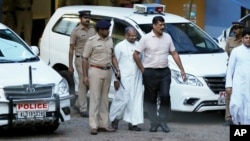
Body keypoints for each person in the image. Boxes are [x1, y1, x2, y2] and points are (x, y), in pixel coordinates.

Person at [133, 16, 186, 133]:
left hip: (164, 72)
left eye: (163, 25)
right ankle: (154, 122)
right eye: (160, 25)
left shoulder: (167, 37)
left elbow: (174, 53)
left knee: (165, 96)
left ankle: (163, 121)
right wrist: (143, 69)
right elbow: (136, 54)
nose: (163, 27)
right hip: (150, 72)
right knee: (150, 99)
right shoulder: (146, 38)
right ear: (154, 25)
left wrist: (182, 69)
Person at [82, 19, 120, 135]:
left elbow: (113, 56)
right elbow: (84, 58)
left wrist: (117, 69)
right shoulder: (91, 41)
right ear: (99, 30)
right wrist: (85, 76)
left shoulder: (110, 40)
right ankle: (94, 125)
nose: (107, 31)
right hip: (95, 70)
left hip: (107, 70)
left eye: (108, 29)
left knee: (104, 99)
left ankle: (104, 124)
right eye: (105, 29)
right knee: (95, 98)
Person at [109, 27, 144, 131]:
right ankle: (115, 119)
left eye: (135, 35)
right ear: (126, 35)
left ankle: (133, 123)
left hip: (136, 77)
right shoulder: (120, 46)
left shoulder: (139, 45)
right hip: (123, 78)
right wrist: (115, 79)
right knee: (122, 99)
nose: (133, 37)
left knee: (136, 100)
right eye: (131, 36)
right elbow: (114, 63)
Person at [68, 10, 96, 117]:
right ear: (80, 18)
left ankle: (78, 103)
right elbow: (71, 49)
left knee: (89, 82)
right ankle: (83, 108)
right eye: (85, 17)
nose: (87, 19)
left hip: (91, 59)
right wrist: (70, 65)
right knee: (84, 82)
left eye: (88, 17)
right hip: (80, 59)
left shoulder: (93, 30)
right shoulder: (75, 31)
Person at [226, 27, 250, 125]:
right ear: (242, 39)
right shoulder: (236, 51)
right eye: (246, 37)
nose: (248, 40)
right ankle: (237, 123)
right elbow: (230, 69)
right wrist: (228, 85)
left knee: (248, 109)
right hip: (238, 84)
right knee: (236, 105)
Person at [223, 21, 244, 126]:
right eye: (234, 28)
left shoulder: (246, 42)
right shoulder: (230, 41)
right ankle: (228, 117)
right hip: (232, 71)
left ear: (242, 29)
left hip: (243, 72)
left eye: (237, 28)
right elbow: (227, 55)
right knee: (229, 94)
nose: (235, 30)